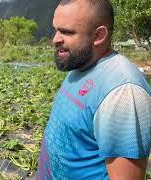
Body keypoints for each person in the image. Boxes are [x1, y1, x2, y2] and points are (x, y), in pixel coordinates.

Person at [37, 0, 151, 179]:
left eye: (67, 32)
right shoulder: (81, 65)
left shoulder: (123, 92)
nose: (55, 39)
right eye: (56, 29)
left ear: (99, 36)